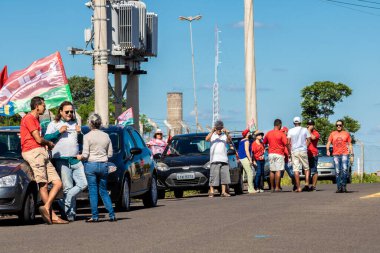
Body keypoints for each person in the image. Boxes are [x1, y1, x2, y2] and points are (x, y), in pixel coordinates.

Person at [20, 96, 68, 224]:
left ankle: (46, 208)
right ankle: (52, 216)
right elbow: (38, 139)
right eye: (43, 105)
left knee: (58, 183)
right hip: (34, 152)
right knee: (43, 184)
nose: (45, 108)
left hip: (41, 152)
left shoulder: (35, 119)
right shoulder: (29, 118)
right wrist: (49, 143)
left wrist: (45, 145)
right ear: (37, 106)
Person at [45, 101, 88, 221]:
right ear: (60, 112)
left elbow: (80, 141)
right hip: (61, 159)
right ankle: (70, 214)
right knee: (68, 187)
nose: (69, 114)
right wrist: (59, 131)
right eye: (67, 111)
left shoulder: (75, 122)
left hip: (75, 158)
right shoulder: (54, 123)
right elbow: (46, 138)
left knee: (83, 183)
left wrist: (79, 133)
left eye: (71, 111)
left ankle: (64, 201)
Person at [77, 113, 116, 222]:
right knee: (103, 191)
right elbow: (110, 154)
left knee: (93, 191)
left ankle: (95, 216)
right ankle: (112, 214)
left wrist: (79, 156)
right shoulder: (106, 136)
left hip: (91, 165)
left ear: (90, 123)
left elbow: (85, 155)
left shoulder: (87, 136)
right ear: (100, 123)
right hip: (104, 165)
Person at [205, 120, 232, 197]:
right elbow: (206, 139)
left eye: (220, 128)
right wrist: (212, 131)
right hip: (214, 159)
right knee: (213, 176)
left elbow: (229, 140)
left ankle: (223, 192)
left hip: (224, 159)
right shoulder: (213, 135)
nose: (219, 130)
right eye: (218, 128)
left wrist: (227, 133)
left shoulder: (224, 135)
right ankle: (212, 191)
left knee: (225, 176)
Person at [326, 120, 353, 193]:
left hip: (344, 154)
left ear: (342, 126)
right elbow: (328, 142)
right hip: (336, 155)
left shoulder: (346, 134)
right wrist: (328, 150)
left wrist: (351, 153)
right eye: (337, 125)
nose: (338, 126)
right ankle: (339, 187)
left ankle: (344, 186)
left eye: (340, 125)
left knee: (344, 170)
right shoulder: (332, 134)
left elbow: (350, 144)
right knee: (337, 171)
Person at [263, 119, 288, 192]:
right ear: (279, 125)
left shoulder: (268, 133)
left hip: (271, 154)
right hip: (279, 154)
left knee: (272, 171)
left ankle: (272, 187)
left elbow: (264, 142)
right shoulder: (281, 134)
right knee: (278, 170)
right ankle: (277, 187)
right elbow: (286, 143)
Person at [287, 116, 311, 192]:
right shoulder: (305, 130)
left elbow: (288, 143)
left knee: (296, 169)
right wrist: (305, 147)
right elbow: (309, 140)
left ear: (294, 123)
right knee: (306, 168)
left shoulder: (290, 131)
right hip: (303, 150)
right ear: (300, 122)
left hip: (294, 151)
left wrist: (290, 152)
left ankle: (298, 187)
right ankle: (307, 184)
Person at [238, 129, 254, 194]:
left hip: (241, 158)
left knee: (244, 175)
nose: (249, 133)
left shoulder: (241, 141)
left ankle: (246, 188)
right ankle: (251, 189)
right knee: (250, 173)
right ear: (246, 134)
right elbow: (247, 151)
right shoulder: (247, 141)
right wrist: (250, 159)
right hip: (245, 158)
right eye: (248, 133)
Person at [280, 127, 296, 191]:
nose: (282, 132)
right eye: (281, 131)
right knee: (279, 174)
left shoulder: (290, 139)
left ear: (286, 132)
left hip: (288, 159)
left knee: (292, 174)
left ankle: (295, 185)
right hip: (281, 159)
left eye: (283, 131)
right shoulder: (280, 139)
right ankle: (278, 187)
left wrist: (291, 156)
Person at [307, 120, 320, 191]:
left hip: (313, 154)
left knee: (314, 170)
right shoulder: (305, 132)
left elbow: (313, 138)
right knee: (306, 171)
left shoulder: (316, 133)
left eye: (311, 124)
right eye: (308, 124)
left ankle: (314, 186)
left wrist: (308, 130)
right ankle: (307, 185)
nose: (310, 125)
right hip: (305, 154)